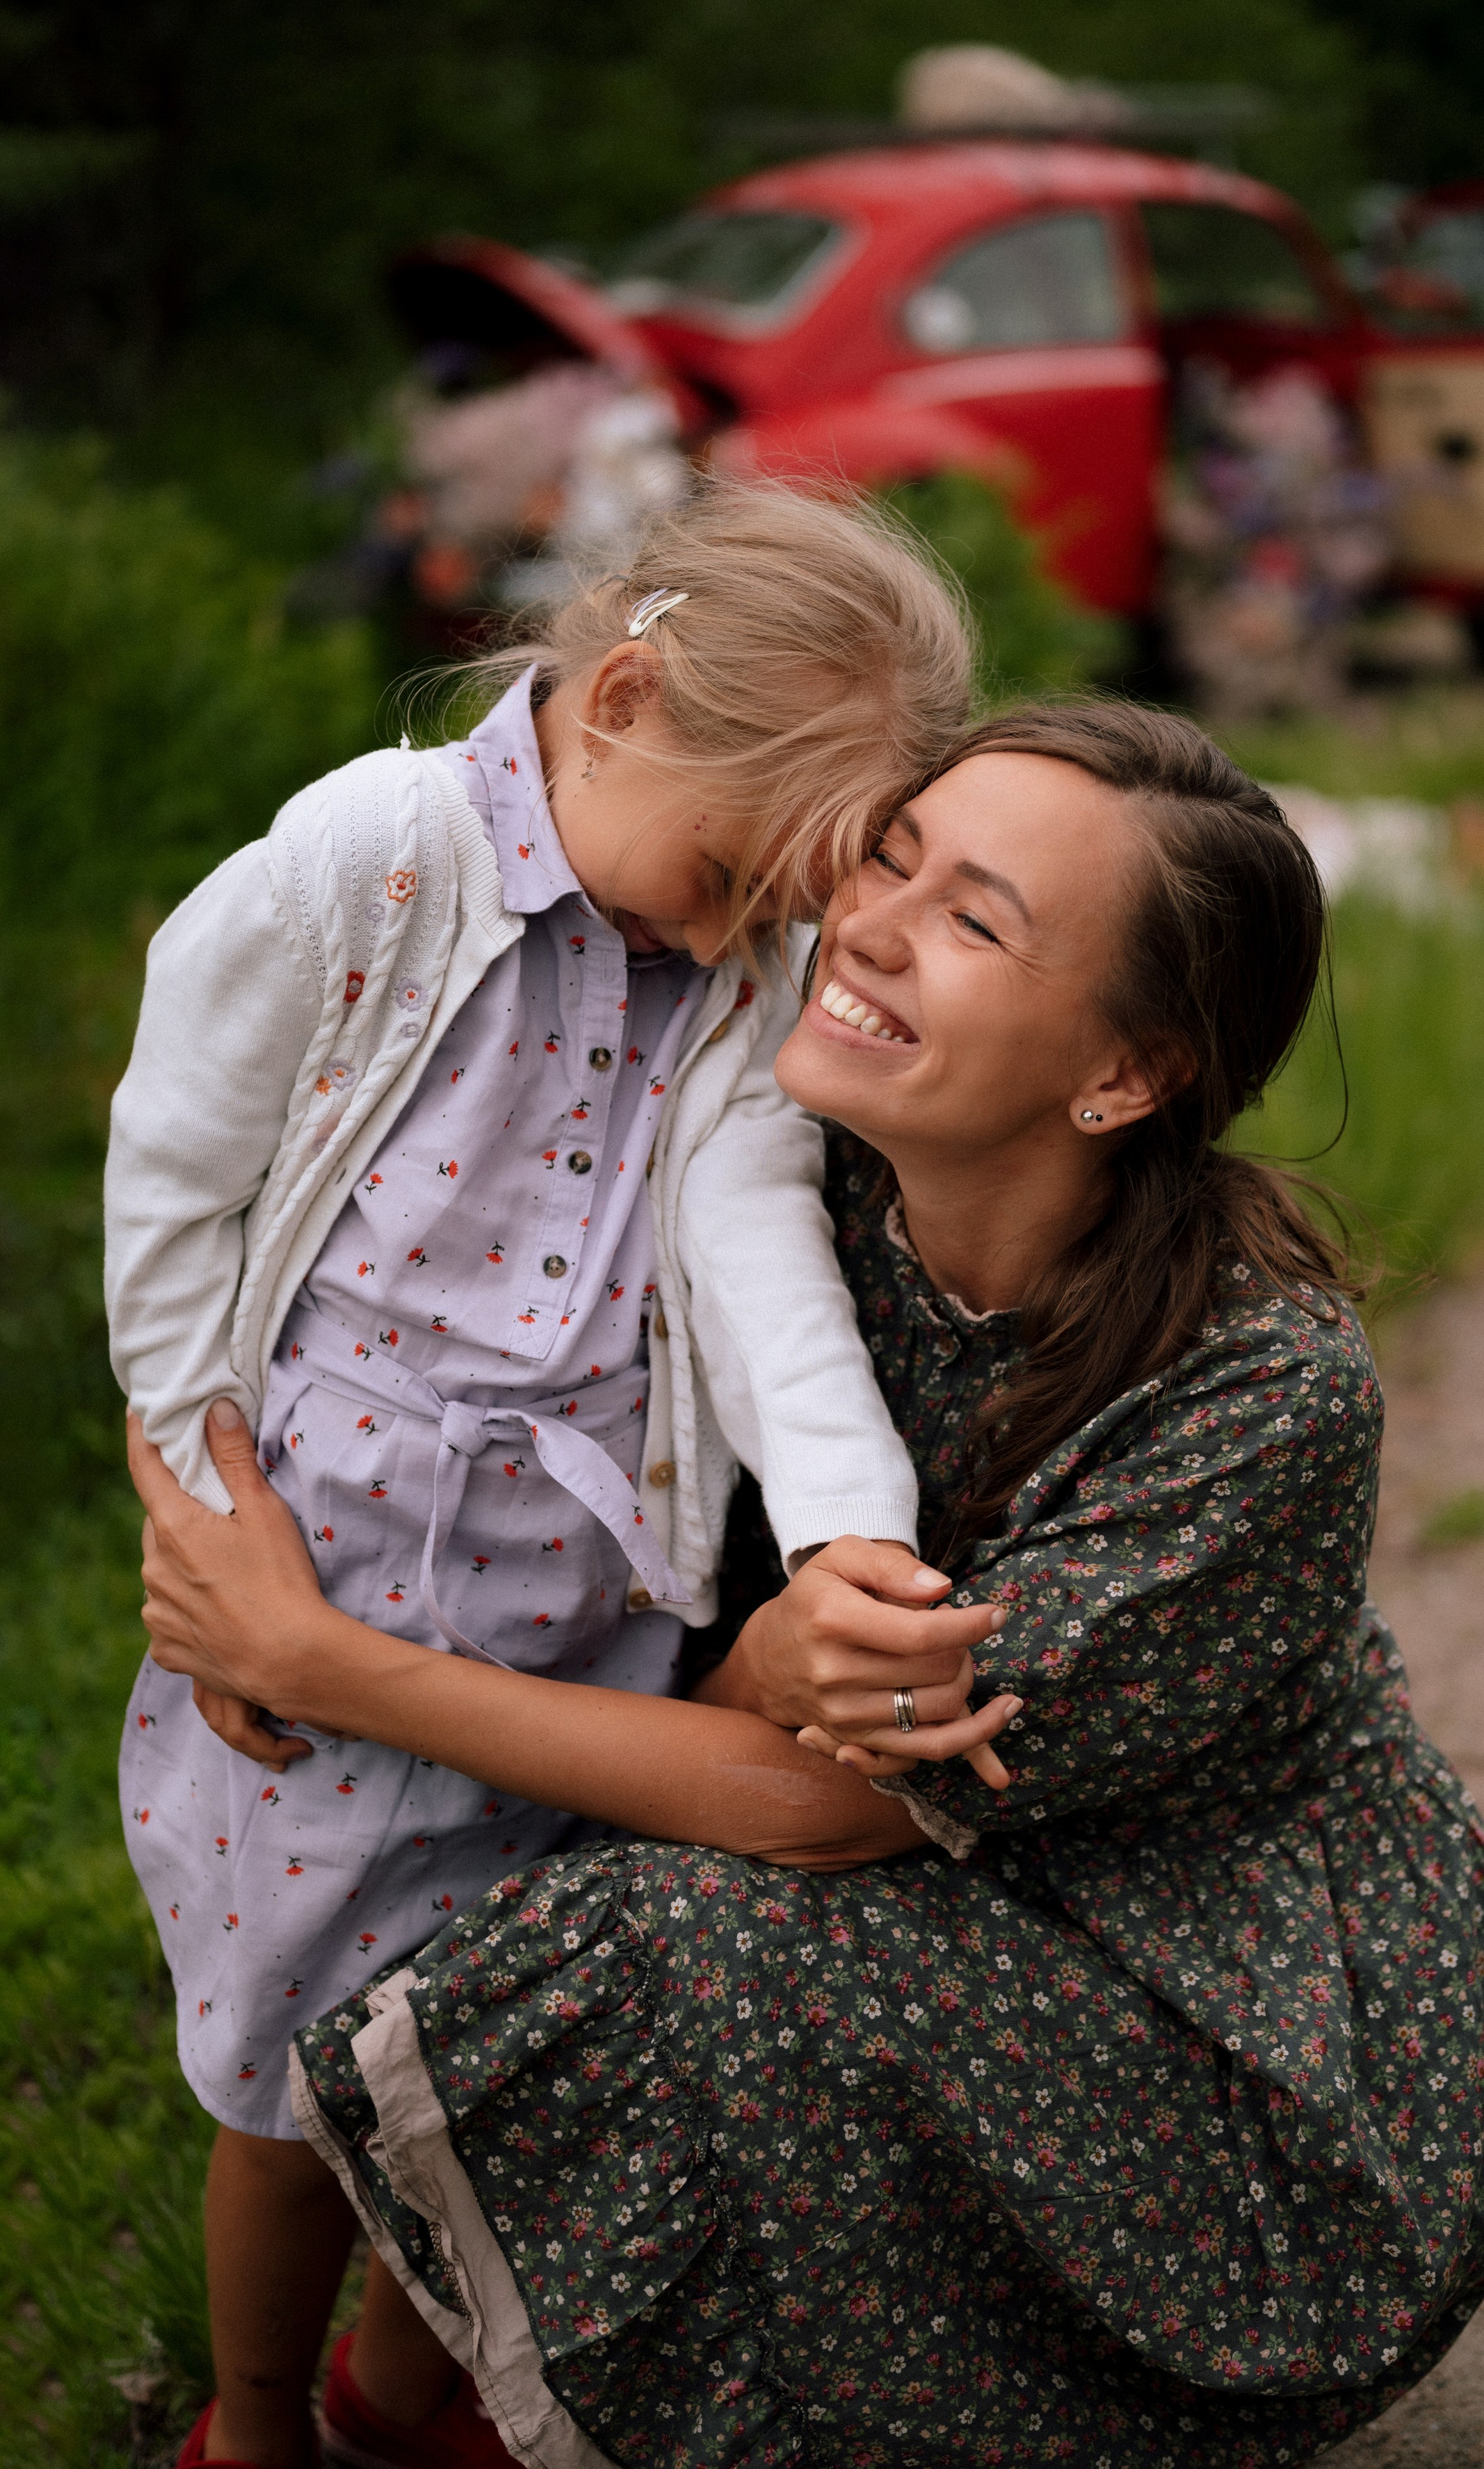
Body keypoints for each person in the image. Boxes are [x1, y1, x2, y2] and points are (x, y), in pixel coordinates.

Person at [134, 701, 1484, 2469]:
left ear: (1123, 1076)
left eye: (974, 921)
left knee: (657, 1938)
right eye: (891, 856)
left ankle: (542, 2405)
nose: (866, 924)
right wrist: (225, 1513)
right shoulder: (778, 1187)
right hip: (934, 1908)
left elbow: (827, 1807)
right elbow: (682, 1657)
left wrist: (317, 1657)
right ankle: (408, 2405)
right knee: (555, 1849)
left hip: (1229, 2051)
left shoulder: (1261, 1390)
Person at [106, 479, 992, 2468]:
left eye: (782, 905)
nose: (743, 929)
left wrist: (850, 1535)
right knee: (298, 2085)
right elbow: (174, 1172)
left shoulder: (740, 977)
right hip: (322, 1569)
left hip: (574, 1606)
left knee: (497, 2061)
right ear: (621, 704)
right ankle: (257, 2421)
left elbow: (761, 1269)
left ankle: (404, 2396)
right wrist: (197, 1484)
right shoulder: (368, 863)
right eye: (735, 870)